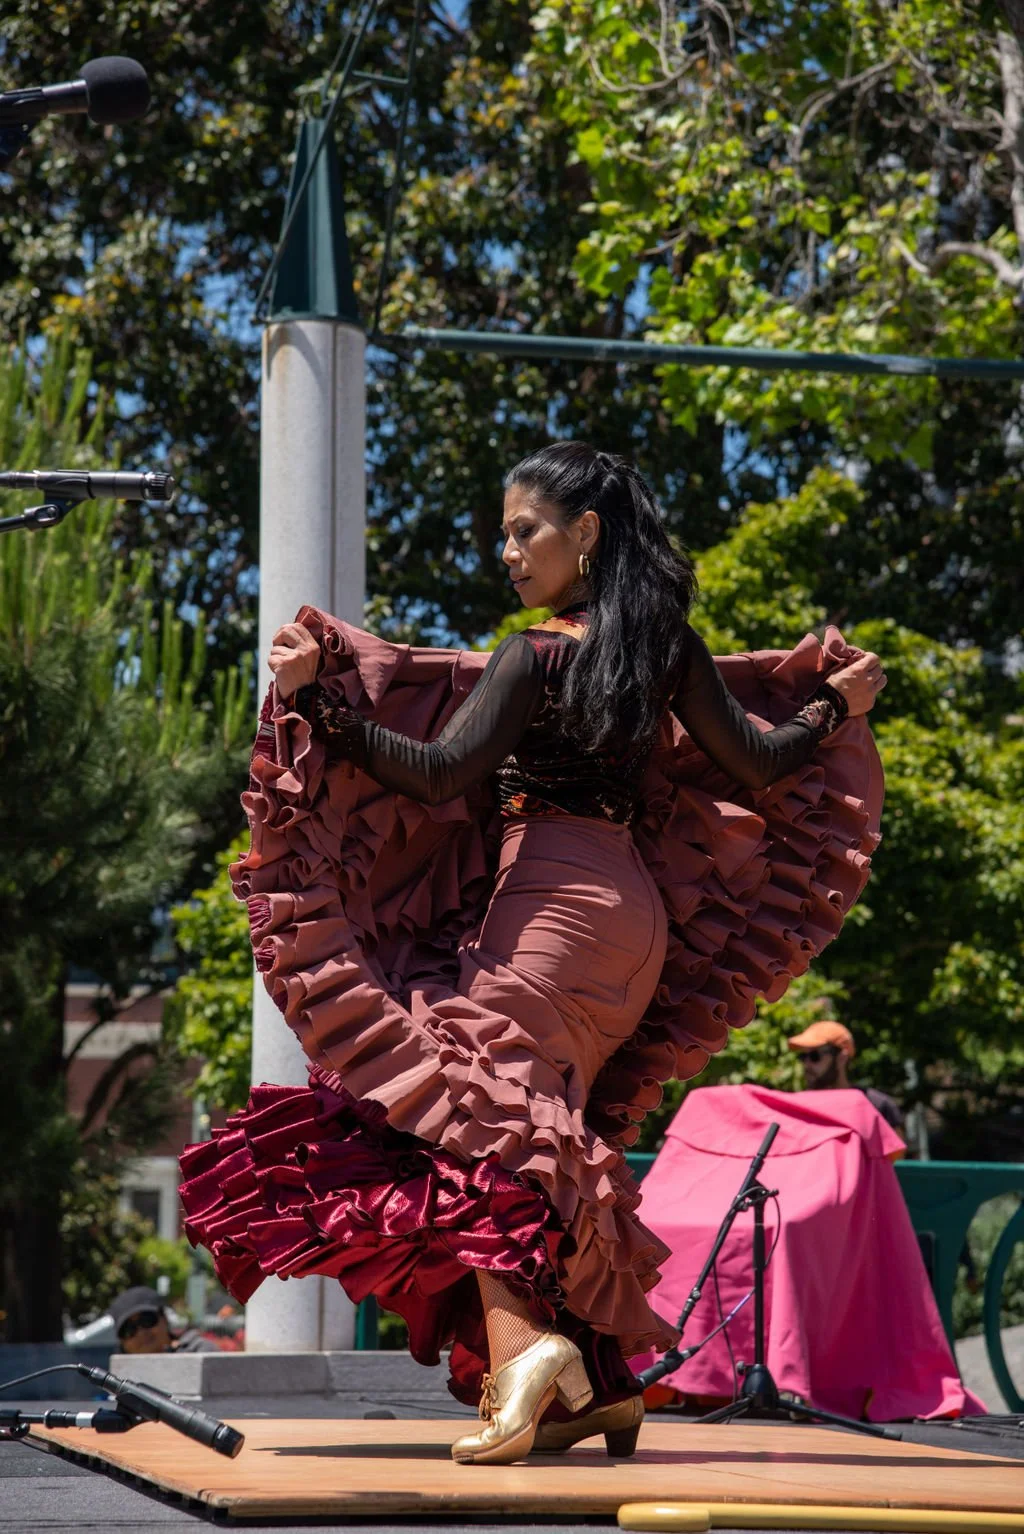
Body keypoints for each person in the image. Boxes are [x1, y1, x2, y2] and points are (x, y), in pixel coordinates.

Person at [181, 442, 886, 1465]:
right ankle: (590, 1386)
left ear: (585, 533)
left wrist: (315, 705)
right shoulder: (665, 650)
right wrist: (833, 707)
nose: (505, 550)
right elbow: (764, 763)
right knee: (522, 1128)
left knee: (472, 1115)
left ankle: (525, 1350)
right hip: (626, 927)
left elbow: (432, 778)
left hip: (550, 910)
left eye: (525, 530)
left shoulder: (533, 653)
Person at [787, 1020, 903, 1132]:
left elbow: (896, 1150)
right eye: (803, 1057)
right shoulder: (800, 1109)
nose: (807, 1065)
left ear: (842, 1058)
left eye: (814, 1056)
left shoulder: (876, 1106)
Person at [109, 1285, 220, 1355]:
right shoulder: (117, 1379)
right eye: (129, 1329)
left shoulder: (199, 1352)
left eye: (147, 1321)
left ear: (165, 1319)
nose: (141, 1333)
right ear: (122, 1342)